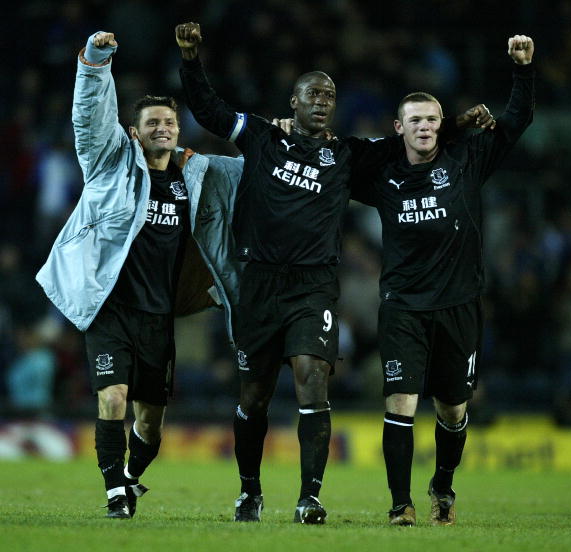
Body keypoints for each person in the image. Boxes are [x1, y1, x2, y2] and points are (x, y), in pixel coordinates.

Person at [174, 21, 494, 524]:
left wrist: (454, 124)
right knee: (253, 396)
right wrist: (190, 60)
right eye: (313, 94)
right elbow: (209, 110)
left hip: (314, 285)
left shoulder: (346, 154)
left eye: (329, 95)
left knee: (312, 378)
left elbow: (411, 140)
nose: (323, 101)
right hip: (259, 280)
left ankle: (310, 497)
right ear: (293, 102)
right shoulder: (260, 135)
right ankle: (250, 491)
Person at [36, 31, 244, 519]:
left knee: (150, 425)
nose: (163, 128)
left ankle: (130, 478)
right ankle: (114, 494)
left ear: (179, 130)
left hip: (158, 315)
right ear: (135, 131)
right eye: (152, 122)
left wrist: (287, 141)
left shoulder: (197, 175)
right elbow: (89, 118)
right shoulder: (110, 164)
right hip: (109, 308)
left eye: (170, 122)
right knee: (113, 398)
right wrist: (95, 61)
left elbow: (256, 169)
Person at [349, 35, 535, 526]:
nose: (425, 128)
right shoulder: (382, 177)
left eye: (432, 120)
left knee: (453, 411)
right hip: (404, 308)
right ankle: (399, 504)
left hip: (459, 305)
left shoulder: (467, 161)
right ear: (399, 128)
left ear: (440, 125)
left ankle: (442, 486)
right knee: (401, 403)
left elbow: (516, 123)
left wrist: (522, 70)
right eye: (415, 121)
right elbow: (338, 168)